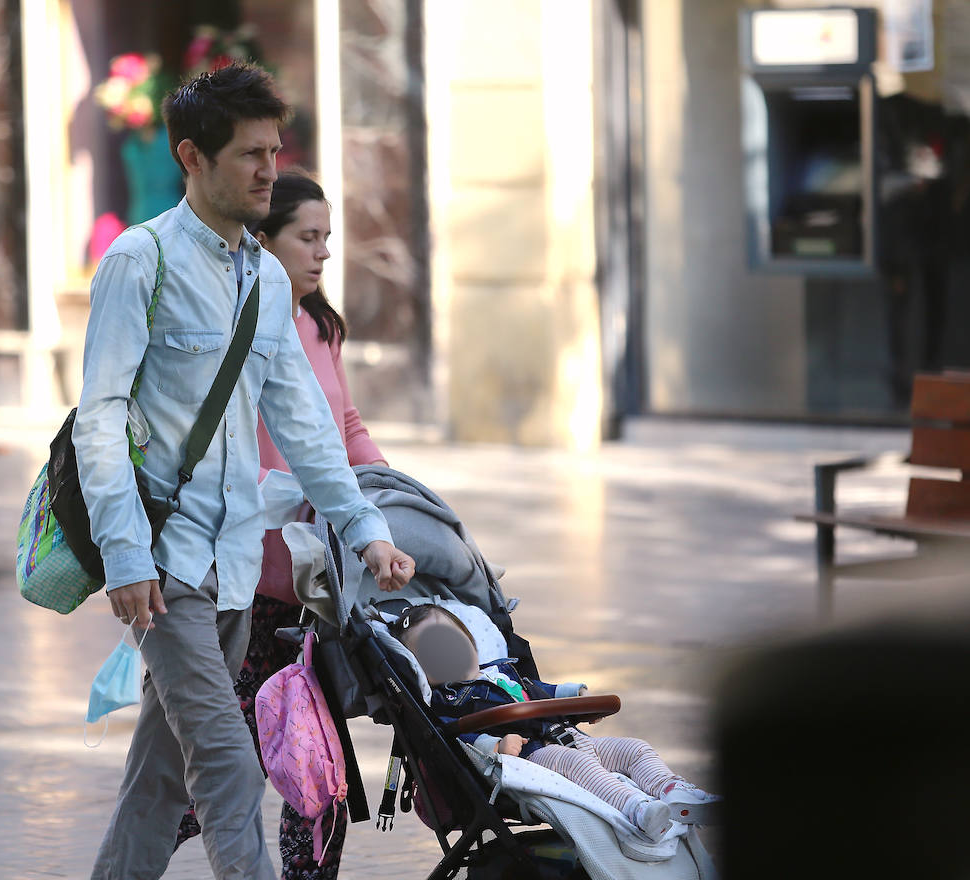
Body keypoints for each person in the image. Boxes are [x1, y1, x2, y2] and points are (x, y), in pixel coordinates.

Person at [74, 63, 416, 880]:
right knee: (227, 765)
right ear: (192, 157)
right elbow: (100, 417)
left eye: (275, 149)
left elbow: (304, 421)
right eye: (249, 153)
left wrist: (365, 526)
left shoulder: (263, 277)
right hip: (164, 567)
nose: (269, 170)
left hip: (233, 564)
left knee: (160, 781)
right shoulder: (139, 261)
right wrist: (123, 557)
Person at [175, 171, 384, 878]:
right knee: (227, 761)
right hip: (246, 582)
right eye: (308, 236)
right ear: (262, 240)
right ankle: (141, 843)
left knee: (313, 757)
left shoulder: (321, 327)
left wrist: (390, 500)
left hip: (318, 582)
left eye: (328, 238)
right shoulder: (237, 324)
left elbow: (346, 428)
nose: (322, 253)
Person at [391, 604, 721, 843]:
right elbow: (455, 734)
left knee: (634, 748)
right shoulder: (447, 700)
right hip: (532, 758)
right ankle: (637, 809)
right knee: (576, 764)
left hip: (566, 735)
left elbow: (539, 691)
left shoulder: (502, 670)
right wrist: (495, 746)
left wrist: (574, 701)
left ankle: (674, 792)